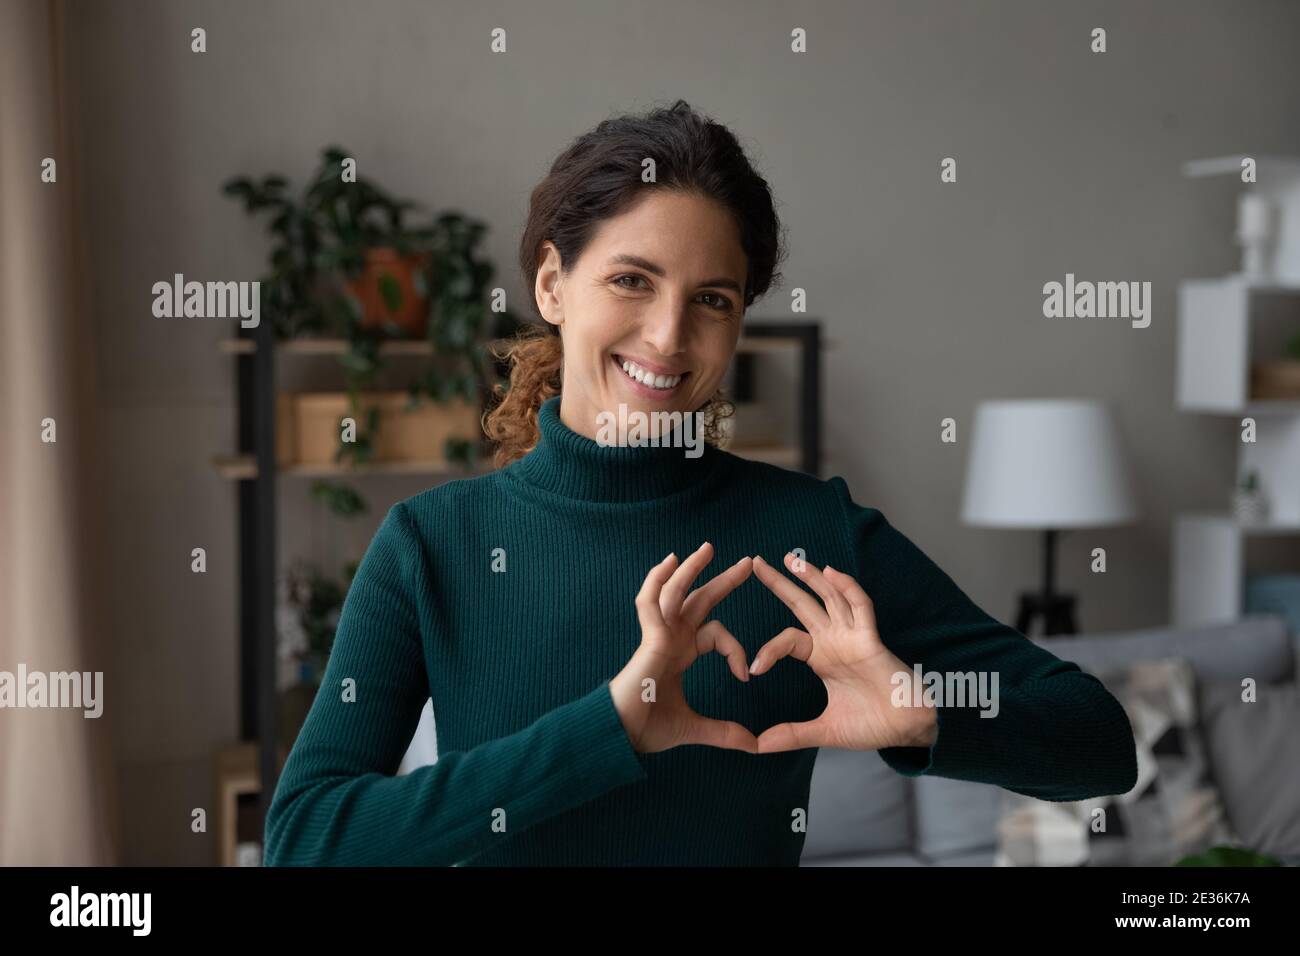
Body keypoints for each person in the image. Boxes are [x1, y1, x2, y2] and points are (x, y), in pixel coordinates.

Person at [263, 100, 1137, 867]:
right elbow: (307, 840)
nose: (668, 335)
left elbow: (1100, 741)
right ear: (553, 284)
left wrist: (929, 715)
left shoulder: (811, 531)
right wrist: (607, 729)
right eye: (631, 281)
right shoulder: (432, 545)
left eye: (712, 299)